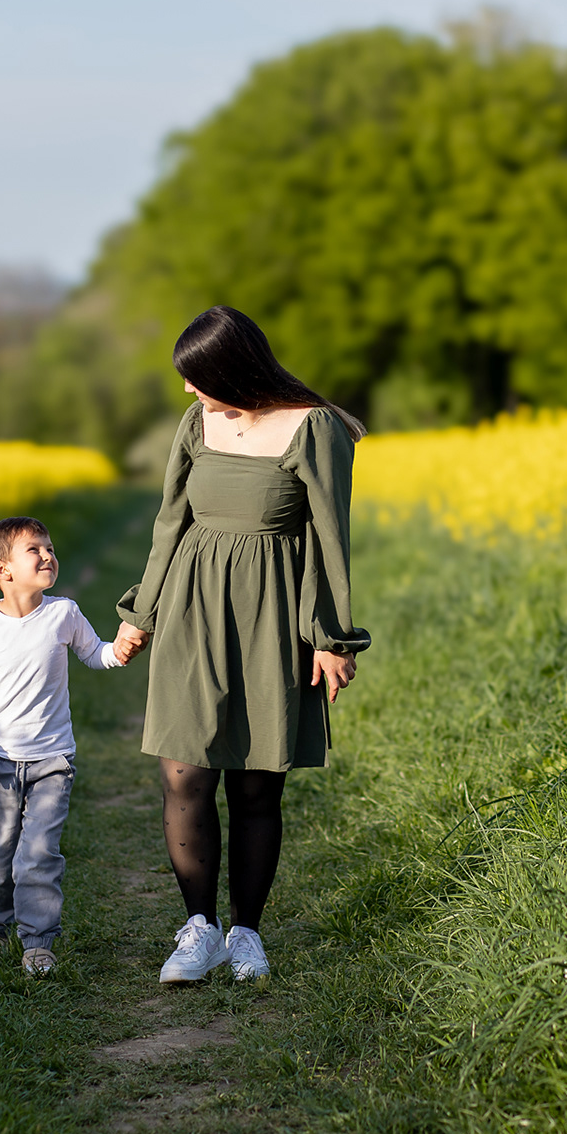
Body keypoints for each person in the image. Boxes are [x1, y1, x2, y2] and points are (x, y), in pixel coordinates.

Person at [112, 306, 369, 985]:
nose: (190, 394)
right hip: (193, 610)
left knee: (257, 785)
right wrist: (141, 612)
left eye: (199, 379)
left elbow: (330, 540)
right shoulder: (197, 424)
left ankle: (246, 933)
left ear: (233, 370)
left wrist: (331, 638)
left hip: (275, 616)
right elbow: (171, 522)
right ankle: (197, 930)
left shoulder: (315, 428)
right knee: (183, 774)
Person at [0, 516, 129, 977]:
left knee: (40, 853)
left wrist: (122, 649)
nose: (49, 555)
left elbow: (95, 653)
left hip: (52, 760)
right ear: (1, 569)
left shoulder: (64, 613)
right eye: (36, 550)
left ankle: (39, 942)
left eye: (50, 548)